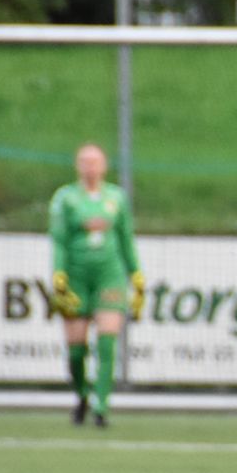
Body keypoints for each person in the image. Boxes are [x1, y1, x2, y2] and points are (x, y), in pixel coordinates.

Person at [47, 142, 144, 426]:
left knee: (107, 341)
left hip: (109, 274)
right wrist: (58, 273)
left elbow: (126, 238)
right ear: (78, 166)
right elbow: (59, 239)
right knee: (76, 349)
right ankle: (82, 394)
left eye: (95, 161)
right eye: (85, 161)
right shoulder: (65, 199)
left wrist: (136, 273)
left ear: (104, 166)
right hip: (76, 276)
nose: (91, 167)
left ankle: (101, 405)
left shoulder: (116, 198)